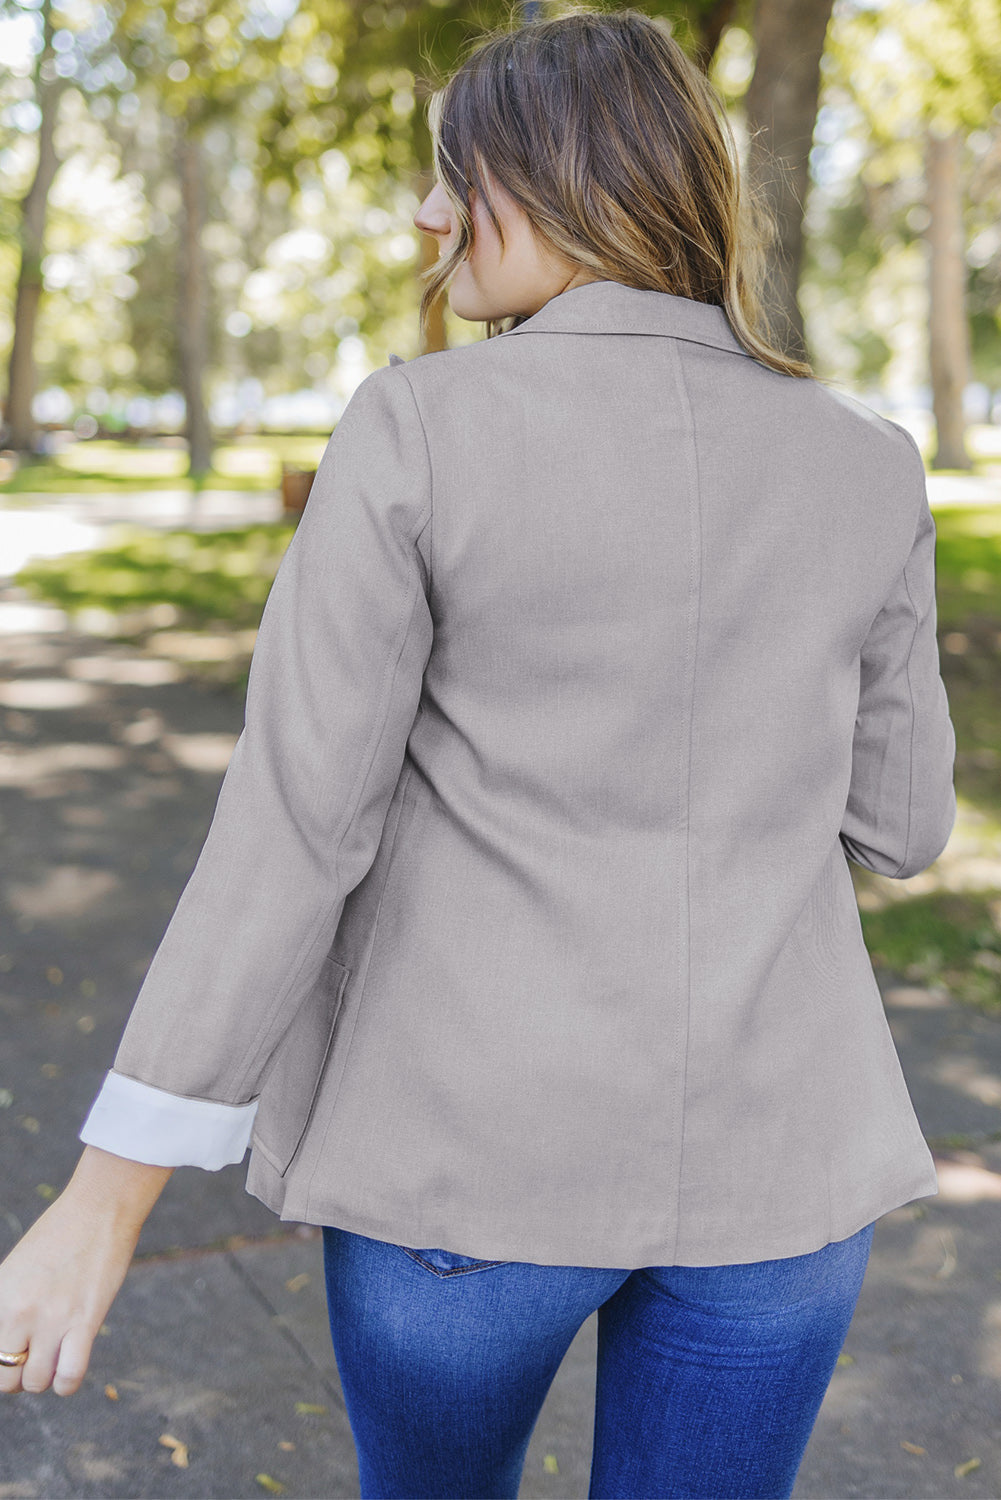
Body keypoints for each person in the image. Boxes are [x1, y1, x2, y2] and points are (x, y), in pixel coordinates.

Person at [0, 8, 956, 1499]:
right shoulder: (864, 459)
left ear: (572, 180)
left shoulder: (417, 428)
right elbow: (901, 823)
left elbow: (297, 828)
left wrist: (107, 1199)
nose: (429, 211)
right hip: (785, 1179)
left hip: (462, 1182)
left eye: (461, 174)